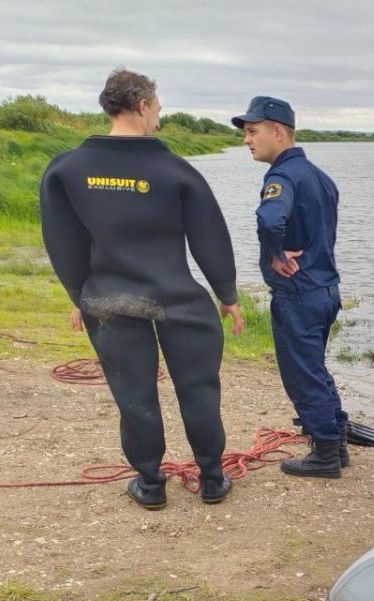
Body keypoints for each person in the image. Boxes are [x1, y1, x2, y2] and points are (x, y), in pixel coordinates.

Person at [39, 68, 244, 510]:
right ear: (142, 105)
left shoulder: (68, 169)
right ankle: (212, 479)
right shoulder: (173, 170)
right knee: (199, 389)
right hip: (179, 301)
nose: (159, 119)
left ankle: (151, 485)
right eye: (158, 109)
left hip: (110, 299)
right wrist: (227, 295)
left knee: (134, 393)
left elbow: (63, 242)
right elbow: (209, 235)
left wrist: (81, 296)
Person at [231, 96, 347, 479]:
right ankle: (337, 443)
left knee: (302, 375)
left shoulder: (282, 177)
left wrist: (274, 253)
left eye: (252, 132)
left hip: (298, 293)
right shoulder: (320, 177)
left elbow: (269, 219)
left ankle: (325, 456)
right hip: (326, 290)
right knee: (315, 370)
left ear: (277, 132)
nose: (247, 140)